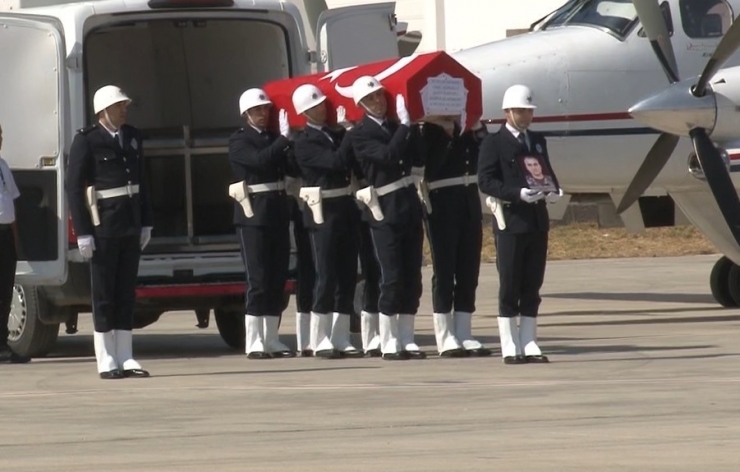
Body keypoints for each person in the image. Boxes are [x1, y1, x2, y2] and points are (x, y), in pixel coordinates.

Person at [66, 85, 153, 379]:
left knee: (125, 292)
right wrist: (83, 231)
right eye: (118, 106)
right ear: (103, 111)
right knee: (104, 293)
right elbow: (73, 188)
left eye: (124, 105)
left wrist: (146, 221)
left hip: (130, 223)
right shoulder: (87, 140)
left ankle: (126, 355)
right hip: (104, 226)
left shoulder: (132, 137)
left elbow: (142, 182)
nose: (123, 110)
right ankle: (106, 358)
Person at [478, 84, 563, 365]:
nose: (526, 116)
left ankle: (529, 341)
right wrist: (516, 193)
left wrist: (553, 189)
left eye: (529, 111)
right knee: (510, 283)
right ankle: (509, 343)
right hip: (511, 220)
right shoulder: (494, 142)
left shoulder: (536, 140)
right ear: (507, 112)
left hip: (536, 220)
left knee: (532, 283)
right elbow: (486, 180)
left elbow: (545, 170)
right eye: (521, 111)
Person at [348, 76, 425, 361]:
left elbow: (417, 158)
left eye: (380, 96)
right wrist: (405, 128)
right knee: (390, 275)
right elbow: (389, 156)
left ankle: (406, 337)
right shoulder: (359, 134)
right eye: (371, 99)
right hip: (384, 209)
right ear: (361, 105)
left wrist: (413, 127)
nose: (378, 102)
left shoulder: (397, 126)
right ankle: (388, 338)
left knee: (411, 276)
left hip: (408, 205)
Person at [291, 84, 362, 359]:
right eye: (316, 105)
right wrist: (349, 134)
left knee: (346, 274)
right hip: (323, 211)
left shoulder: (335, 133)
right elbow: (336, 163)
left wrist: (346, 133)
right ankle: (319, 338)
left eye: (321, 103)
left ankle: (340, 337)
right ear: (305, 112)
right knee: (326, 274)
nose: (322, 108)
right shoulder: (304, 142)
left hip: (344, 206)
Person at [228, 88, 295, 360]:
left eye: (265, 109)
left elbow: (290, 167)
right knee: (258, 279)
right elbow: (258, 161)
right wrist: (284, 141)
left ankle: (271, 338)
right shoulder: (240, 140)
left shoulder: (275, 137)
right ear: (246, 114)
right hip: (253, 214)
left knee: (277, 278)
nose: (263, 114)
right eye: (257, 110)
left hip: (277, 210)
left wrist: (290, 143)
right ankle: (254, 340)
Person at [417, 116, 491, 357]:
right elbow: (431, 166)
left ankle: (464, 331)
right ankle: (444, 335)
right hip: (442, 205)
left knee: (469, 271)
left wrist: (478, 129)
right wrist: (447, 136)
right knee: (445, 271)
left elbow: (487, 158)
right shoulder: (428, 131)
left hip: (468, 204)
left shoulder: (468, 129)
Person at [0, 124, 31, 364]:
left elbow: (12, 203)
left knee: (5, 291)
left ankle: (2, 344)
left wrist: (16, 237)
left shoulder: (3, 167)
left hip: (5, 236)